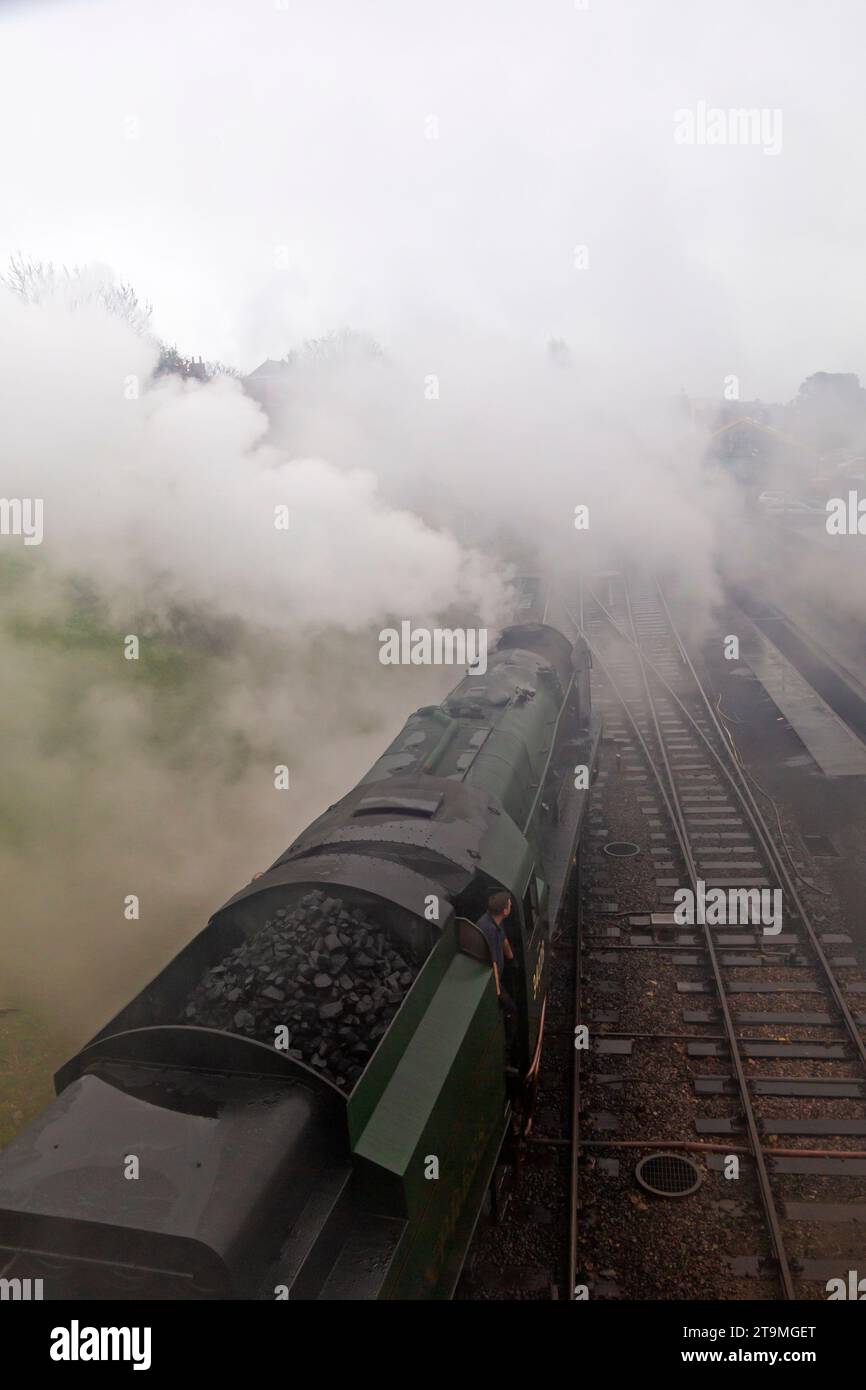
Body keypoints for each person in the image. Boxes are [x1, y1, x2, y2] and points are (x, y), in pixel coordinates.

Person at [475, 890, 518, 1053]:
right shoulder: (489, 930)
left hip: (498, 973)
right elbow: (492, 962)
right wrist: (498, 992)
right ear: (504, 910)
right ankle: (507, 1049)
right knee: (512, 1010)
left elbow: (504, 940)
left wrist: (511, 957)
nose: (511, 905)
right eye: (509, 904)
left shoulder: (496, 921)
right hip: (491, 979)